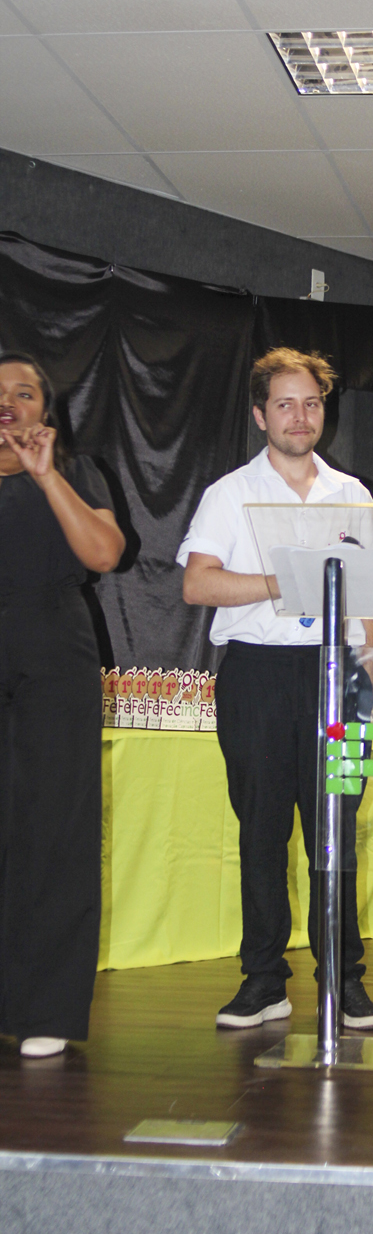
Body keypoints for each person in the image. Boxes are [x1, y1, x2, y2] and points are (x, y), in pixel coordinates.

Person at [178, 347, 373, 1031]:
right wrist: (283, 582)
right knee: (262, 832)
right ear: (260, 415)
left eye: (312, 403)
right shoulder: (229, 494)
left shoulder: (352, 493)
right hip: (258, 677)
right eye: (286, 404)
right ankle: (264, 981)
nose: (300, 416)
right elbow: (197, 583)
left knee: (338, 831)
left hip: (339, 680)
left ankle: (344, 980)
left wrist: (367, 668)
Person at [0, 352, 125, 1059]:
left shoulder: (76, 471)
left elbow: (105, 554)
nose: (8, 402)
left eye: (24, 393)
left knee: (55, 827)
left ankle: (45, 1008)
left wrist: (46, 475)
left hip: (53, 652)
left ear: (44, 411)